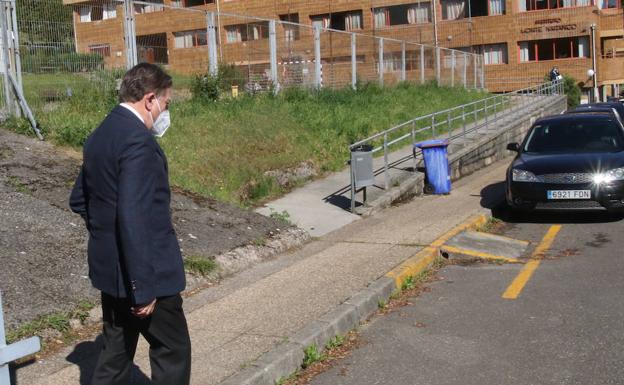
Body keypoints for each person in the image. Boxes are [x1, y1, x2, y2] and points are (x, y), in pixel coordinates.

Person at [69, 63, 191, 385]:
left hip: (112, 274)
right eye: (166, 104)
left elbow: (79, 200)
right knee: (172, 351)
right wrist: (142, 290)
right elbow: (133, 217)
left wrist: (109, 240)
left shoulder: (100, 134)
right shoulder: (138, 143)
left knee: (115, 353)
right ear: (150, 99)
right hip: (146, 275)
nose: (165, 111)